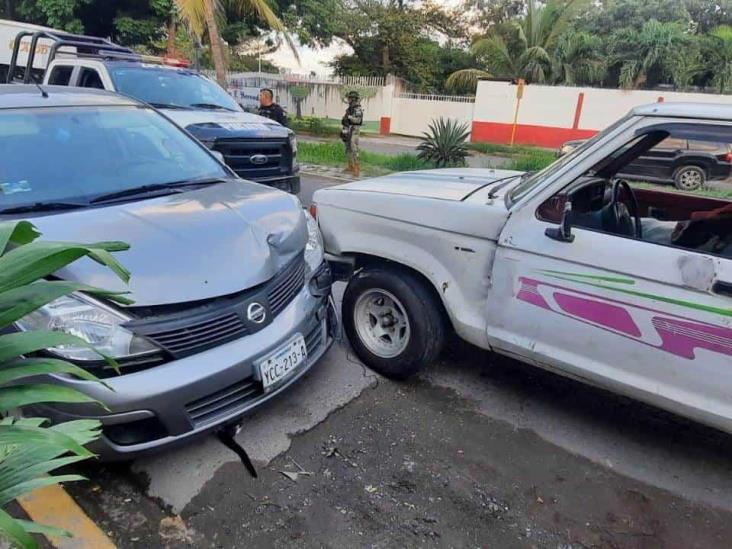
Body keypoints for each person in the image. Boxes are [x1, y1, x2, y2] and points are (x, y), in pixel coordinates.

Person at [341, 90, 364, 176]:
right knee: (348, 149)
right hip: (348, 129)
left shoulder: (358, 109)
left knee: (354, 148)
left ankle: (357, 168)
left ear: (353, 99)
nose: (348, 99)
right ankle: (350, 166)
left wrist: (349, 117)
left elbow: (358, 120)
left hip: (354, 130)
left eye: (350, 98)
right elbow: (345, 119)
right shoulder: (349, 109)